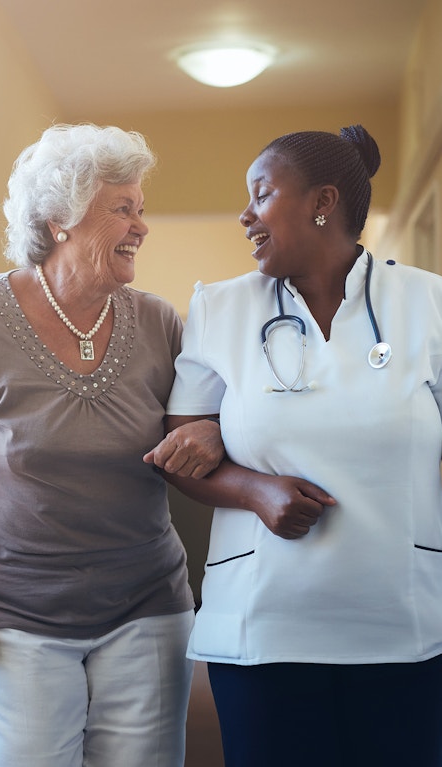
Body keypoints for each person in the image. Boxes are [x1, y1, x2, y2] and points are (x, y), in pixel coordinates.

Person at [0, 123, 224, 767]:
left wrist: (208, 430)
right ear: (59, 221)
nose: (142, 225)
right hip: (14, 620)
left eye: (141, 207)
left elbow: (201, 424)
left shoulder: (159, 322)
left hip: (149, 609)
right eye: (122, 208)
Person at [145, 124, 442, 767]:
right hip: (264, 628)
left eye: (261, 194)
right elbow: (178, 451)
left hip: (404, 624)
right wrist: (255, 490)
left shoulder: (428, 302)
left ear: (322, 201)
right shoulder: (219, 308)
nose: (245, 215)